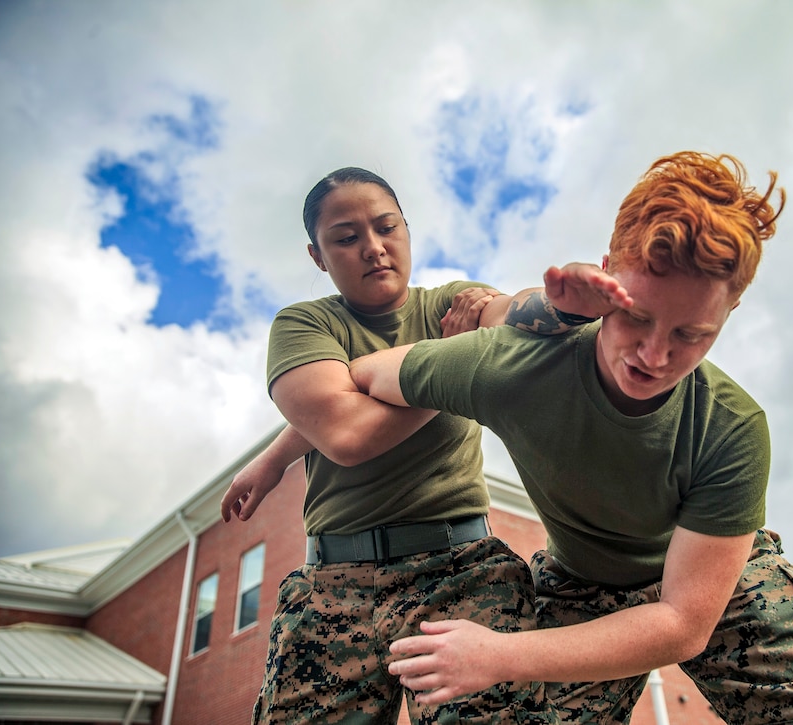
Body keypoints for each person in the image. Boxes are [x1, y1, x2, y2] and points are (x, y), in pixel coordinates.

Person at [348, 151, 793, 725]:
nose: (654, 356)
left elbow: (681, 622)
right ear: (606, 277)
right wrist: (280, 459)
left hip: (713, 583)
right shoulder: (511, 367)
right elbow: (364, 375)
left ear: (729, 312)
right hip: (584, 582)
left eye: (690, 334)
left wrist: (500, 653)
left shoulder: (731, 426)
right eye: (637, 317)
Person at [218, 166, 623, 725]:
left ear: (407, 229)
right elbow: (347, 434)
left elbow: (516, 314)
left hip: (460, 574)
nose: (373, 248)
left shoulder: (451, 303)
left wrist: (568, 297)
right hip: (333, 586)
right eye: (346, 237)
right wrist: (456, 362)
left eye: (387, 227)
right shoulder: (304, 325)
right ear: (317, 256)